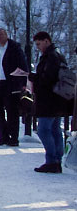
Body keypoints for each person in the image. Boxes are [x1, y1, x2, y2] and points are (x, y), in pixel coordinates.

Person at [29, 32, 67, 173]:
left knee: (43, 130)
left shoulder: (50, 57)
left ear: (46, 41)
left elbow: (47, 78)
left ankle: (51, 160)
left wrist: (33, 77)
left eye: (39, 44)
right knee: (55, 129)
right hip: (58, 98)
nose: (38, 47)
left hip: (48, 99)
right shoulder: (58, 54)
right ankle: (57, 160)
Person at [0, 28, 29, 146]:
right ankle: (3, 136)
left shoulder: (14, 48)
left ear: (6, 35)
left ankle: (14, 138)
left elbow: (23, 66)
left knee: (12, 112)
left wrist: (23, 84)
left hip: (11, 84)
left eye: (1, 35)